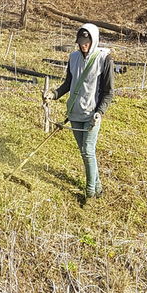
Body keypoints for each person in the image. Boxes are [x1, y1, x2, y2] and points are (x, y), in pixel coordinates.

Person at [45, 22, 114, 204]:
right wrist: (54, 94)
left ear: (94, 40)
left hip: (92, 114)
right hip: (75, 111)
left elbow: (108, 92)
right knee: (84, 152)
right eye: (81, 42)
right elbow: (69, 83)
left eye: (86, 42)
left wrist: (100, 112)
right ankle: (98, 187)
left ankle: (89, 193)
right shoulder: (73, 57)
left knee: (87, 150)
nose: (83, 45)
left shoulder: (104, 59)